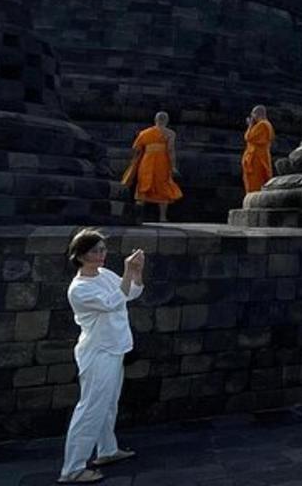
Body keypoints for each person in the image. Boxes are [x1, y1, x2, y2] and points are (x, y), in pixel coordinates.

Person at [58, 229, 145, 484]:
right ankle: (72, 469)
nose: (101, 255)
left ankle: (107, 450)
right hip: (98, 352)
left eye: (103, 250)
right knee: (91, 408)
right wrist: (128, 273)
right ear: (80, 256)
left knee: (108, 404)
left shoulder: (105, 275)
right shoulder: (79, 289)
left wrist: (136, 272)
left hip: (115, 346)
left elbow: (130, 294)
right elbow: (111, 302)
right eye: (95, 251)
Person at [123, 111, 182, 222]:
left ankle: (137, 217)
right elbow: (170, 150)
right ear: (167, 121)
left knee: (143, 187)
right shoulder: (170, 133)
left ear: (155, 120)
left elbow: (136, 150)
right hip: (162, 163)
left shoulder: (144, 133)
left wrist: (134, 164)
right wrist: (173, 166)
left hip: (146, 163)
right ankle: (163, 217)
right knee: (163, 187)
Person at [241, 105, 275, 194]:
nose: (252, 117)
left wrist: (250, 125)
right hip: (258, 157)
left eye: (253, 114)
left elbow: (248, 137)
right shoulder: (266, 124)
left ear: (257, 114)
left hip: (257, 159)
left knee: (255, 184)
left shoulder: (263, 125)